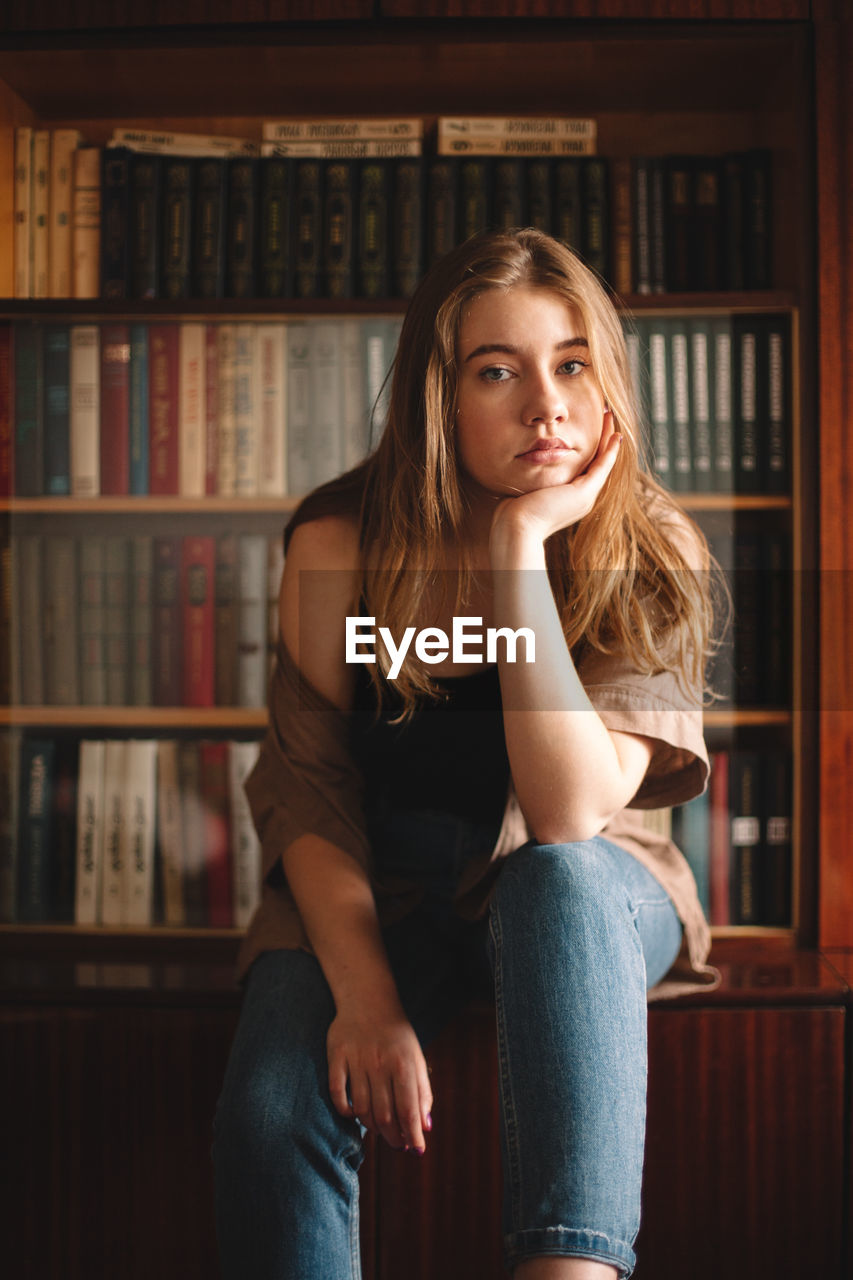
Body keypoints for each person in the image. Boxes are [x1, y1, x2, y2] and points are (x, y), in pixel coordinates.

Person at [212, 228, 720, 1280]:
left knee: (556, 877)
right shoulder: (339, 544)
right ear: (438, 397)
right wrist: (365, 996)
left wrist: (518, 549)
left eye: (572, 362)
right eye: (499, 370)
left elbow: (569, 810)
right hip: (379, 886)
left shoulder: (650, 545)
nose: (548, 405)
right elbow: (310, 791)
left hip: (595, 889)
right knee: (272, 1105)